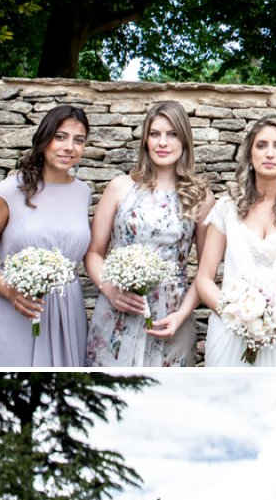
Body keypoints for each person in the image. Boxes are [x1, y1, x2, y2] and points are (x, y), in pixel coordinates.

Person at [85, 100, 214, 367]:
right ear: (145, 140)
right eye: (155, 134)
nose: (162, 142)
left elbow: (205, 273)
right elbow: (94, 253)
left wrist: (182, 315)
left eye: (172, 134)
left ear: (184, 141)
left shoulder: (200, 196)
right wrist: (109, 290)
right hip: (117, 308)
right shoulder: (120, 187)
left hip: (171, 316)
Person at [0, 104, 91, 366]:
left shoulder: (83, 192)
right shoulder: (10, 190)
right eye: (60, 137)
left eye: (78, 140)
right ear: (44, 139)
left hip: (66, 313)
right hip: (13, 308)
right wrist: (11, 292)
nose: (69, 147)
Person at [196, 114, 276, 367]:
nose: (270, 153)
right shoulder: (226, 209)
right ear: (250, 156)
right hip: (230, 332)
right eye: (261, 145)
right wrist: (237, 315)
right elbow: (204, 279)